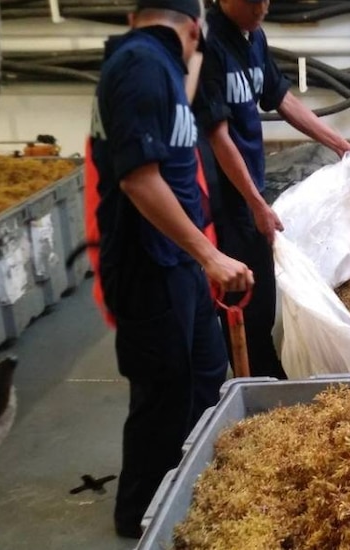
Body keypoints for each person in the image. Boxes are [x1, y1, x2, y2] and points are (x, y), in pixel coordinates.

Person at [88, 0, 254, 538]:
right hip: (147, 266)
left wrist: (199, 43)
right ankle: (141, 515)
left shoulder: (159, 67)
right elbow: (138, 179)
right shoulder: (139, 66)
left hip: (176, 261)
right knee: (164, 392)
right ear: (189, 27)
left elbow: (179, 110)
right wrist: (210, 255)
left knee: (206, 374)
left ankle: (192, 483)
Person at [194, 0, 350, 379]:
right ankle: (252, 381)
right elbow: (218, 137)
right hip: (220, 197)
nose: (264, 7)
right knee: (241, 296)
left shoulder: (252, 35)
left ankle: (263, 370)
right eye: (255, 1)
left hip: (248, 189)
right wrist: (256, 203)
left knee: (262, 291)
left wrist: (339, 144)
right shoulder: (208, 46)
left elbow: (282, 98)